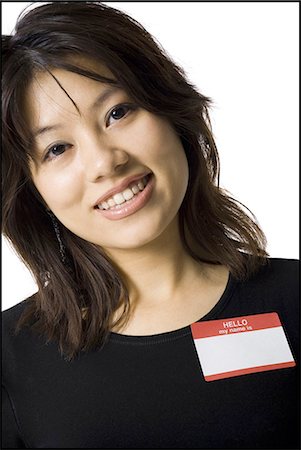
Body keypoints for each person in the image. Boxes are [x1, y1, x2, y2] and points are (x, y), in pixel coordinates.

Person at [1, 2, 299, 449]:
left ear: (172, 112)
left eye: (118, 113)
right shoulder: (8, 357)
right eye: (58, 148)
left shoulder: (294, 297)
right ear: (31, 189)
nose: (105, 162)